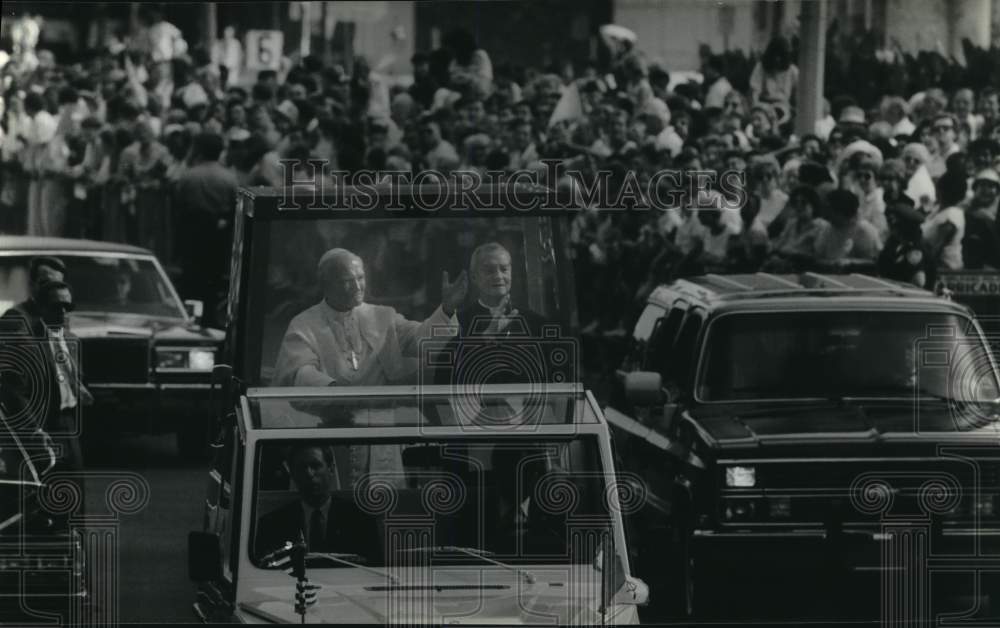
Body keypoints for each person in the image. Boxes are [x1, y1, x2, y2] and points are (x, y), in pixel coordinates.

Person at [273, 248, 466, 387]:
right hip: (330, 419)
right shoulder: (304, 324)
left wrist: (447, 309)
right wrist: (331, 389)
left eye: (361, 278)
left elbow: (423, 341)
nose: (358, 288)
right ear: (326, 285)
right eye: (347, 281)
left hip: (381, 421)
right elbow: (300, 371)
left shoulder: (382, 316)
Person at [0, 276, 92, 520]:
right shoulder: (27, 342)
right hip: (46, 425)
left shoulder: (71, 340)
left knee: (76, 489)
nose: (62, 312)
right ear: (41, 308)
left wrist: (78, 387)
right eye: (55, 306)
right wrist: (34, 431)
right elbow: (14, 391)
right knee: (50, 491)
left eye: (67, 306)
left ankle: (76, 547)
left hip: (69, 422)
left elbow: (71, 374)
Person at [254, 444, 379, 558]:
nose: (309, 473)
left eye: (315, 465)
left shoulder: (360, 522)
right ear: (292, 473)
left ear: (330, 469)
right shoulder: (272, 525)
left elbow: (373, 569)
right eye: (302, 467)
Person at [172, 132, 239, 327]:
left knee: (191, 281)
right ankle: (210, 319)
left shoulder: (189, 176)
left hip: (192, 236)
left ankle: (191, 319)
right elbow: (234, 209)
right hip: (218, 238)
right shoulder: (229, 178)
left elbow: (179, 208)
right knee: (213, 281)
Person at [814, 189, 882, 265]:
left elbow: (874, 263)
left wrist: (850, 263)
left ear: (840, 211)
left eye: (830, 210)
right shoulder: (828, 228)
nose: (826, 213)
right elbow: (818, 256)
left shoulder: (866, 231)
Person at [878, 204, 934, 288]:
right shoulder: (896, 244)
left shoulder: (916, 251)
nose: (890, 228)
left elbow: (918, 283)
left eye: (894, 226)